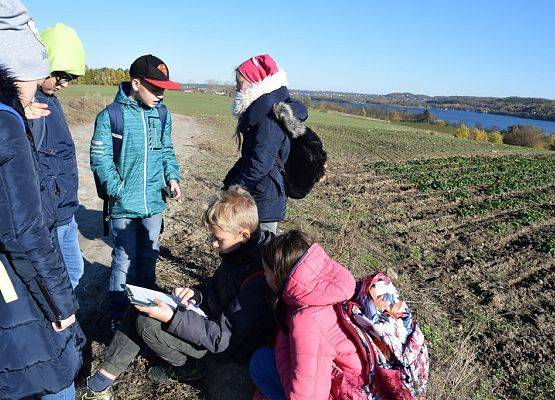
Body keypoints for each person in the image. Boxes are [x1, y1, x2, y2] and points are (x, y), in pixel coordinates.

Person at [82, 186, 275, 399]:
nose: (213, 245)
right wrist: (197, 294)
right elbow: (219, 286)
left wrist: (173, 317)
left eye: (218, 240)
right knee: (144, 301)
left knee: (146, 324)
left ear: (244, 235)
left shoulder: (257, 277)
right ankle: (103, 377)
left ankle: (190, 368)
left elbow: (221, 339)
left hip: (226, 349)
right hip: (209, 321)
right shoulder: (240, 251)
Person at [0, 1, 85, 398]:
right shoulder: (7, 121)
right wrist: (61, 306)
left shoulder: (25, 111)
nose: (53, 85)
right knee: (53, 376)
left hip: (49, 231)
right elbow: (23, 229)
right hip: (20, 278)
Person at [90, 54, 182, 327]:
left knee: (148, 256)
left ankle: (145, 310)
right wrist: (117, 190)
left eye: (163, 89)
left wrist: (172, 176)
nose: (160, 95)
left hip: (154, 203)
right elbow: (100, 159)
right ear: (135, 83)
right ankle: (118, 316)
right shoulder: (110, 116)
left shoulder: (162, 115)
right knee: (122, 259)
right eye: (154, 88)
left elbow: (167, 150)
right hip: (123, 205)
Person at [249, 230, 366, 400]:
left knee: (260, 363)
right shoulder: (326, 287)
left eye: (266, 271)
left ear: (277, 278)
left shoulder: (307, 320)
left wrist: (283, 350)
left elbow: (307, 397)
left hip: (346, 392)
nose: (264, 275)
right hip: (356, 378)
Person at [28, 22, 86, 289]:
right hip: (47, 215)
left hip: (64, 211)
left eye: (70, 79)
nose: (64, 83)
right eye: (61, 75)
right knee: (58, 282)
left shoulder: (50, 99)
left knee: (73, 272)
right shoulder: (28, 104)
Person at [223, 54, 308, 234]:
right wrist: (230, 182)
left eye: (240, 82)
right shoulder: (262, 113)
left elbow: (261, 163)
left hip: (264, 197)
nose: (237, 87)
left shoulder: (269, 119)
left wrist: (236, 187)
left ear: (256, 83)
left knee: (263, 254)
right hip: (261, 192)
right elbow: (253, 157)